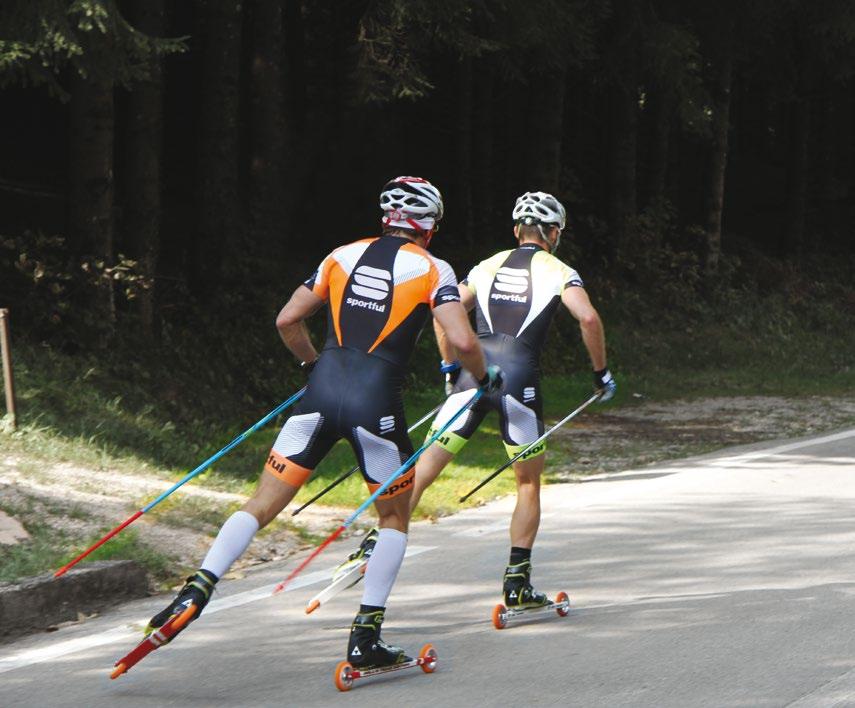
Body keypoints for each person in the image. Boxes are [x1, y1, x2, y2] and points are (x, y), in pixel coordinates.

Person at [147, 176, 501, 668]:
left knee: (262, 502)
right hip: (375, 406)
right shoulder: (433, 268)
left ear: (387, 219)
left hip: (318, 395)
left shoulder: (340, 255)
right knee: (394, 518)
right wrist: (485, 378)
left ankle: (196, 590)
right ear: (429, 227)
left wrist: (313, 367)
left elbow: (287, 320)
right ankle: (365, 637)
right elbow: (464, 343)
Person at [339, 190, 616, 609]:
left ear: (516, 230)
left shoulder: (487, 265)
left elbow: (443, 310)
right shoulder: (561, 269)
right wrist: (600, 372)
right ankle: (517, 582)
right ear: (554, 232)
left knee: (421, 472)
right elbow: (589, 317)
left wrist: (450, 366)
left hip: (473, 377)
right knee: (527, 483)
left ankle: (376, 541)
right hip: (518, 383)